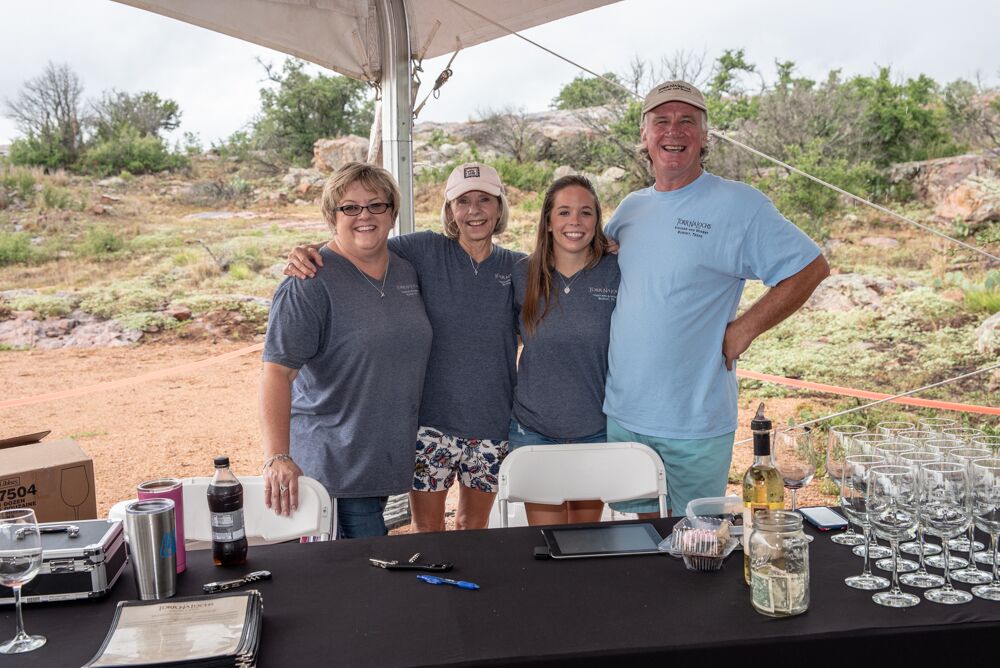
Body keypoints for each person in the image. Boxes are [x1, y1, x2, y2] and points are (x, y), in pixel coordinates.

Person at [604, 80, 830, 517]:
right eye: (662, 121)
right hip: (623, 415)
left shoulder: (739, 205)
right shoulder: (630, 209)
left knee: (695, 545)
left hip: (695, 421)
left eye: (688, 121)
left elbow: (810, 267)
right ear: (644, 135)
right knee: (632, 545)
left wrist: (745, 328)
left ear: (705, 136)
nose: (675, 131)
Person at [284, 162, 524, 532]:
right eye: (462, 201)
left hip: (491, 423)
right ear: (449, 210)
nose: (474, 210)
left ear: (500, 207)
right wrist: (307, 250)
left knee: (473, 527)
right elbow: (357, 244)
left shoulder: (519, 267)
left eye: (485, 200)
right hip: (428, 425)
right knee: (427, 530)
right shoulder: (422, 249)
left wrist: (606, 248)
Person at [260, 162, 433, 539]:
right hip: (334, 469)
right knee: (363, 585)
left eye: (376, 205)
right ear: (331, 216)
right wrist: (277, 456)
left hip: (381, 462)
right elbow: (277, 372)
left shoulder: (407, 270)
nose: (364, 216)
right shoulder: (309, 281)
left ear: (392, 212)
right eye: (349, 207)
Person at [509, 175, 619, 525]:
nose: (575, 221)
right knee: (547, 545)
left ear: (597, 221)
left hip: (595, 428)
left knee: (585, 540)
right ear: (548, 221)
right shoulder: (521, 274)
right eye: (564, 212)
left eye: (586, 213)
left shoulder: (618, 271)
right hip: (534, 430)